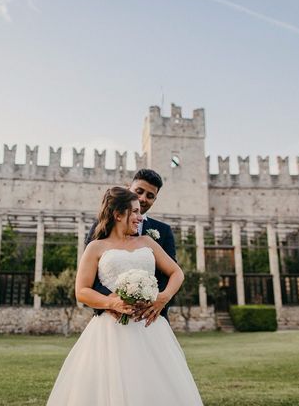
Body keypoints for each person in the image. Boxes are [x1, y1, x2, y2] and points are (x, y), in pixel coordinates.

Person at [46, 187, 203, 406]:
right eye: (135, 212)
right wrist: (112, 302)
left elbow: (177, 272)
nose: (140, 217)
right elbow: (81, 291)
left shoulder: (147, 243)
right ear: (118, 214)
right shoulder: (95, 247)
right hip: (110, 331)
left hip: (151, 330)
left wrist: (162, 297)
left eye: (140, 212)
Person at [85, 169, 176, 325]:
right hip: (111, 316)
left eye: (150, 196)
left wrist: (156, 299)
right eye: (139, 191)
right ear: (129, 188)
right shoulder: (99, 228)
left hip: (150, 318)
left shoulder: (163, 231)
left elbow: (171, 273)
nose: (142, 198)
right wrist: (112, 300)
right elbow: (89, 275)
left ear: (155, 199)